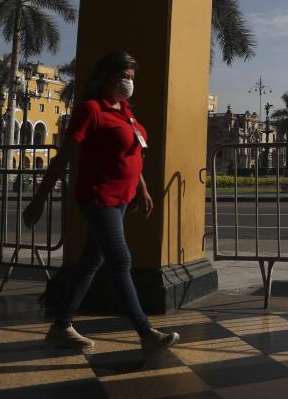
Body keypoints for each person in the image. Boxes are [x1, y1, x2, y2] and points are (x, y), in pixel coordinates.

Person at [23, 51, 179, 352]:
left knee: (90, 262)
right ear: (105, 77)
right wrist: (39, 198)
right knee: (120, 260)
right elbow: (64, 156)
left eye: (132, 78)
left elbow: (133, 154)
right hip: (99, 196)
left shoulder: (125, 112)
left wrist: (142, 189)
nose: (129, 83)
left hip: (122, 198)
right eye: (124, 77)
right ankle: (146, 333)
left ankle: (61, 326)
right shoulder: (91, 110)